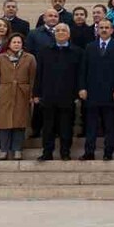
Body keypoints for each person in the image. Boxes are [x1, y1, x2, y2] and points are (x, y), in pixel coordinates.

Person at [78, 19, 114, 161]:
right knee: (91, 125)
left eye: (107, 28)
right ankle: (89, 152)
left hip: (111, 92)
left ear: (112, 30)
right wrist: (82, 87)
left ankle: (108, 152)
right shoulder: (90, 47)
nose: (104, 30)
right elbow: (83, 69)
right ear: (97, 30)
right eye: (101, 28)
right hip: (92, 92)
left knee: (109, 125)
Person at [32, 23, 80, 162]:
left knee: (66, 127)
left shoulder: (77, 52)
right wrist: (36, 93)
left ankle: (65, 152)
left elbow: (80, 74)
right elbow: (39, 73)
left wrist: (77, 93)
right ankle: (47, 152)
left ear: (68, 34)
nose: (60, 32)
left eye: (63, 30)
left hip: (68, 96)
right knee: (48, 127)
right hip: (48, 95)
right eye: (58, 30)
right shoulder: (45, 51)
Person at [0, 33, 36, 161]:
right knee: (4, 123)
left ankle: (17, 150)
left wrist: (32, 94)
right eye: (14, 42)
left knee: (20, 123)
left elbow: (33, 78)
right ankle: (4, 150)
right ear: (9, 44)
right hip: (4, 93)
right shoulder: (0, 58)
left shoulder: (29, 58)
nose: (16, 44)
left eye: (19, 42)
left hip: (22, 93)